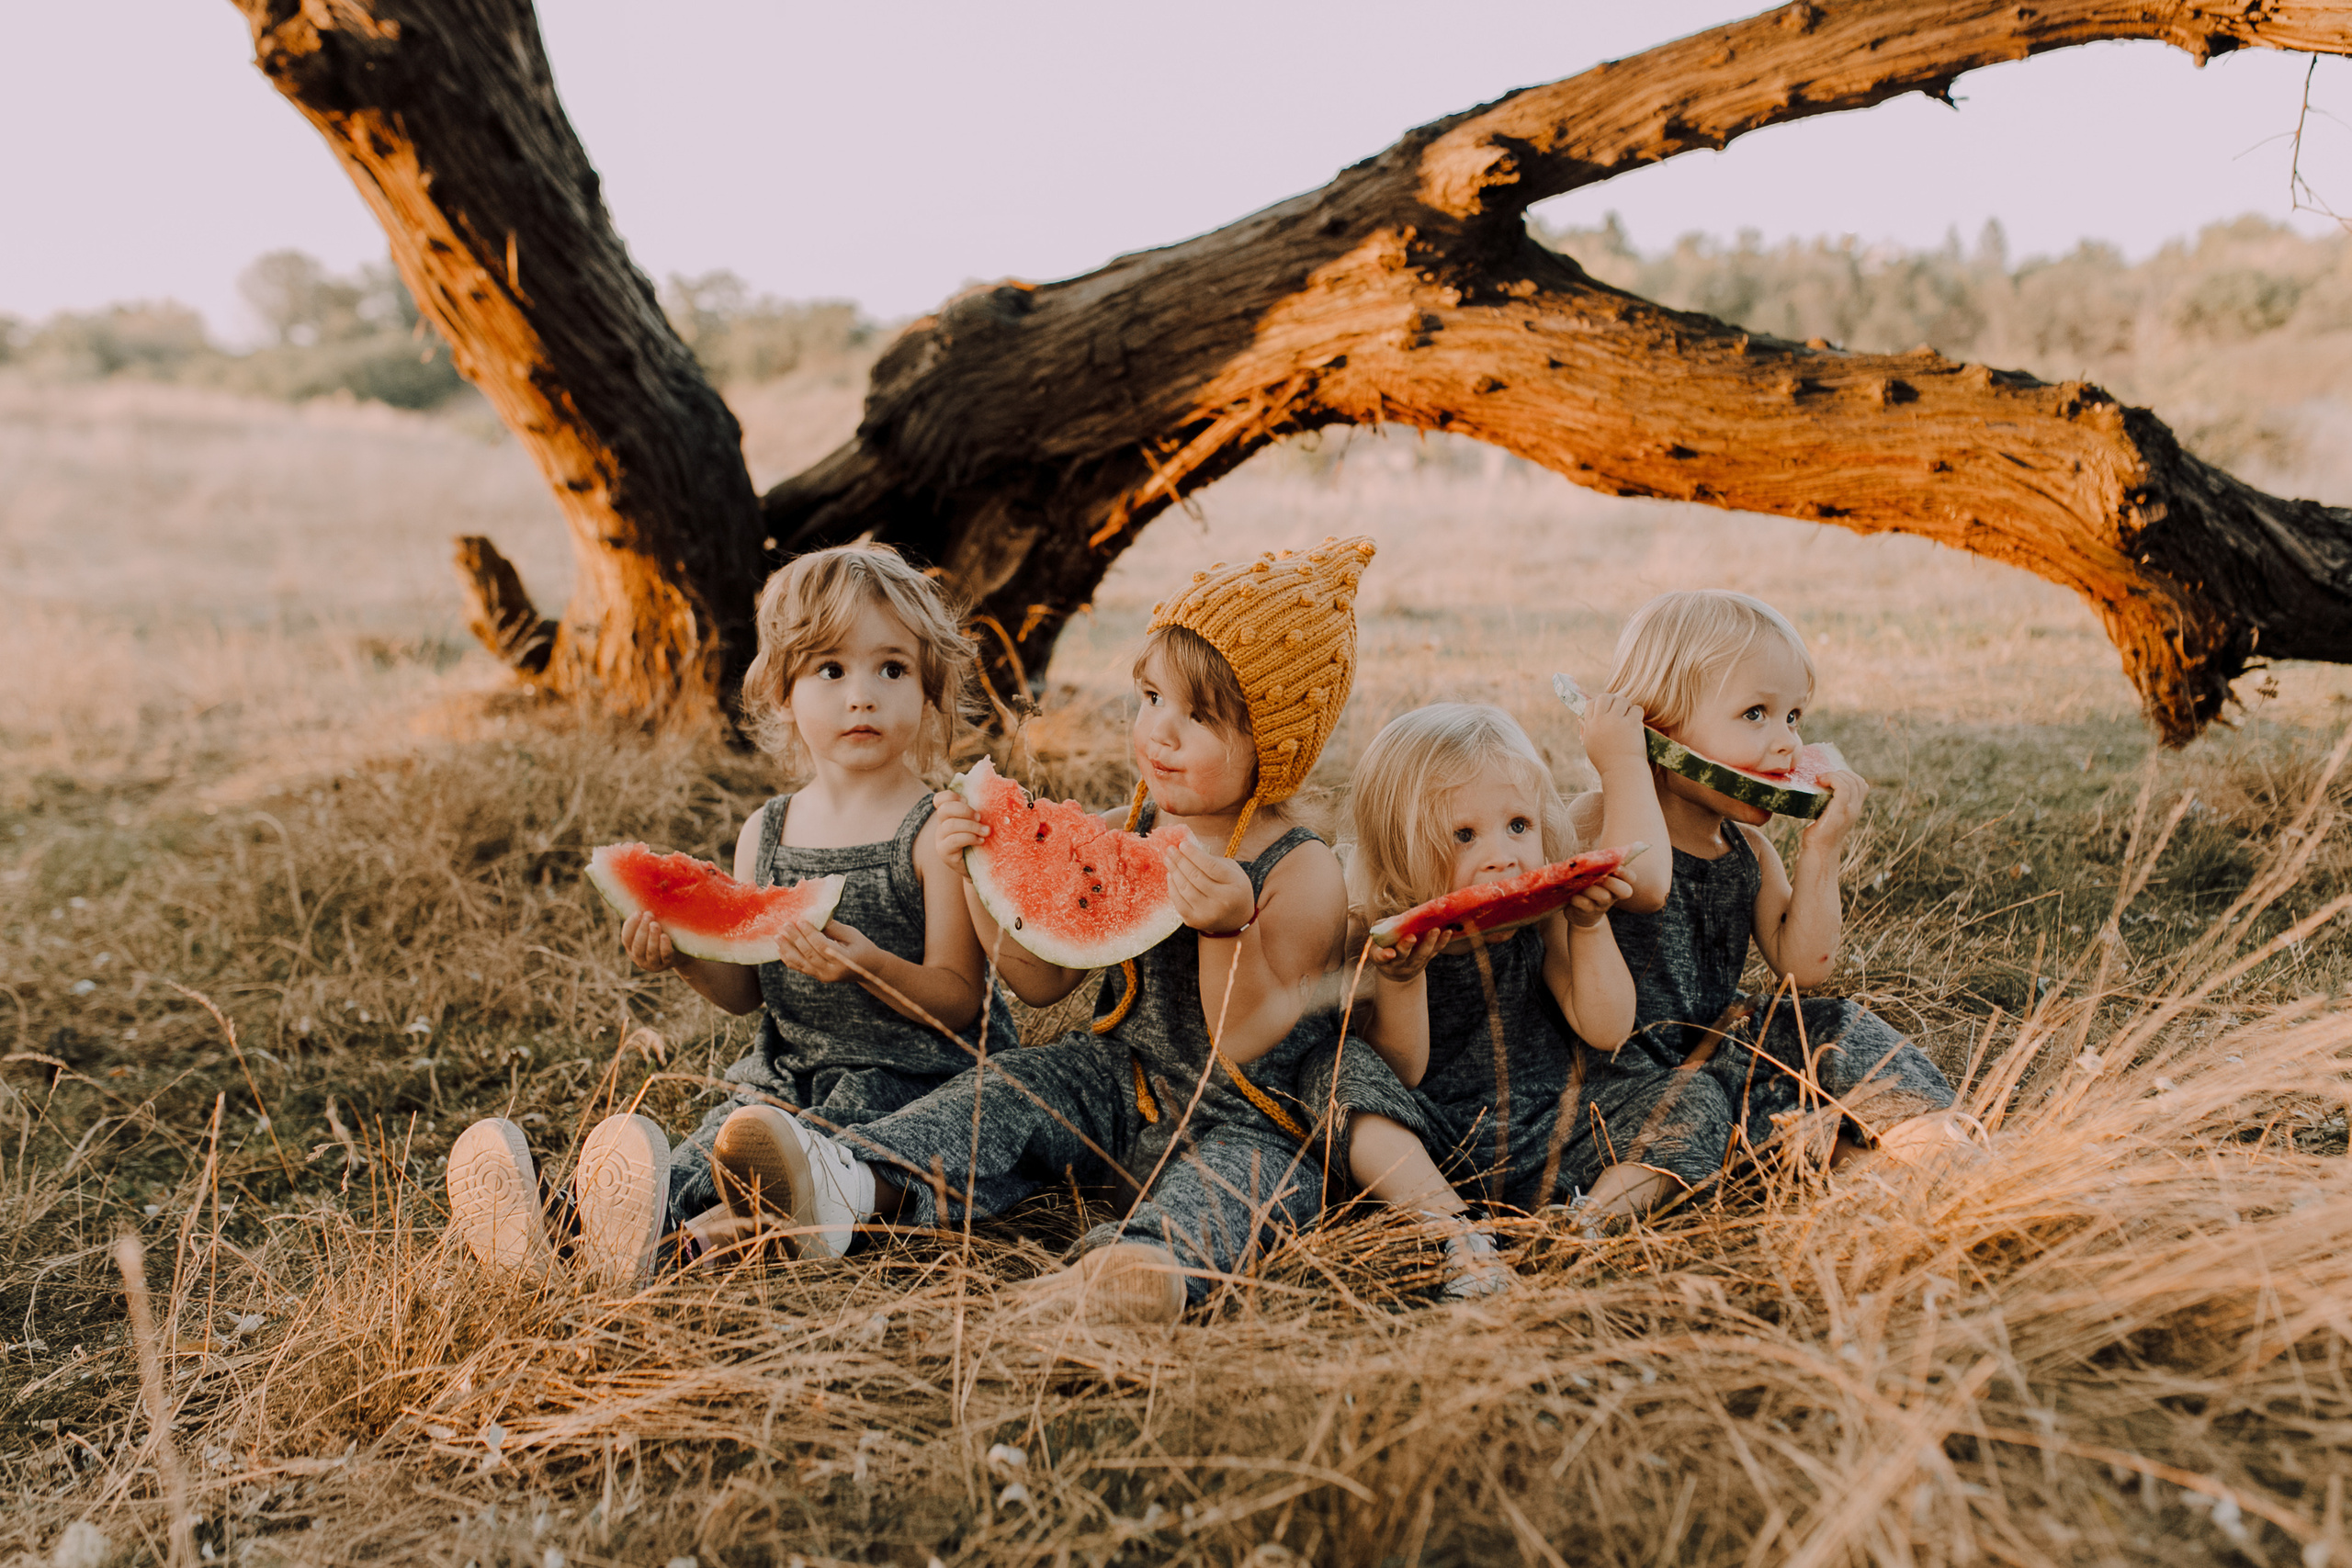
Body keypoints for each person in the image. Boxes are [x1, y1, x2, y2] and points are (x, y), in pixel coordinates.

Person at [733, 539, 1376, 1325]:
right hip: (1115, 1082)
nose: (1160, 733)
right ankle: (858, 1183)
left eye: (1199, 715)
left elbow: (1242, 1042)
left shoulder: (1300, 870)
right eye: (1150, 698)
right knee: (1006, 1088)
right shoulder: (1133, 825)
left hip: (1251, 1116)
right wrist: (980, 876)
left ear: (1271, 746)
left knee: (1248, 1183)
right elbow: (1039, 983)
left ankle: (1142, 1269)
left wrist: (1228, 927)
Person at [443, 543, 1014, 1286]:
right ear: (783, 691)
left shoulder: (938, 831)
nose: (862, 695)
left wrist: (865, 964)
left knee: (830, 1167)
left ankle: (679, 1248)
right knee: (698, 1158)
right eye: (830, 670)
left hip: (911, 1081)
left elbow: (959, 999)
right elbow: (748, 989)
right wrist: (683, 953)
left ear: (931, 689)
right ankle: (562, 1224)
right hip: (786, 1079)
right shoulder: (767, 833)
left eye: (893, 669)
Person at [1566, 590, 1973, 1226]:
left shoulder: (1747, 848)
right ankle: (1595, 1215)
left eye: (1794, 716)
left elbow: (1802, 963)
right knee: (1698, 1110)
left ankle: (1941, 1145)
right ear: (1661, 728)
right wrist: (1624, 768)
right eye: (1755, 713)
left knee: (1830, 1022)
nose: (1787, 742)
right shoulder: (1592, 821)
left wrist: (1822, 847)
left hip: (1708, 1056)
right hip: (1613, 1084)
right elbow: (1646, 883)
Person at [1295, 700, 1668, 1296]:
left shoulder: (1544, 919)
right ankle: (1456, 1237)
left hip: (1551, 1132)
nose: (1504, 856)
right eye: (1465, 835)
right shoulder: (1376, 934)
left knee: (1687, 1088)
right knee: (1331, 1075)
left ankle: (1586, 1225)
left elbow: (1608, 1029)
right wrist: (1403, 978)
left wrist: (1590, 926)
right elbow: (1402, 1073)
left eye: (1519, 825)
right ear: (1401, 848)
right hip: (1433, 1150)